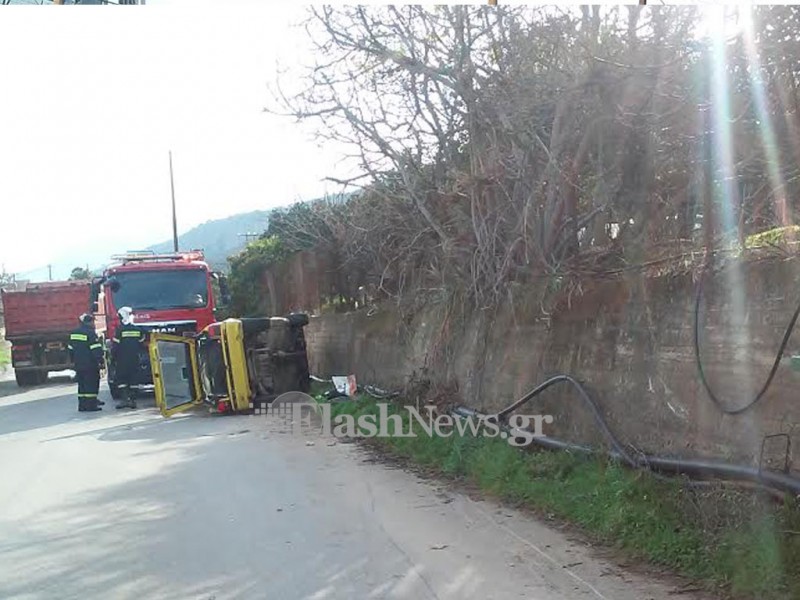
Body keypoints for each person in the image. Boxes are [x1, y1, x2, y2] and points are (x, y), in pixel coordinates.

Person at [68, 313, 105, 412]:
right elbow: (95, 349)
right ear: (87, 322)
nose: (93, 323)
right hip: (90, 364)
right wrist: (100, 361)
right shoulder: (91, 333)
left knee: (82, 384)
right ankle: (91, 405)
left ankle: (82, 405)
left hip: (78, 363)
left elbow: (70, 349)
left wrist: (73, 360)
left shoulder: (74, 333)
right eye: (91, 321)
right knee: (91, 384)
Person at [111, 306, 145, 409]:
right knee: (134, 380)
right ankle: (133, 401)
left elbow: (115, 347)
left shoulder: (119, 330)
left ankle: (125, 400)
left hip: (122, 359)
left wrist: (112, 358)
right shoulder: (138, 330)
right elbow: (142, 345)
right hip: (135, 359)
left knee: (121, 380)